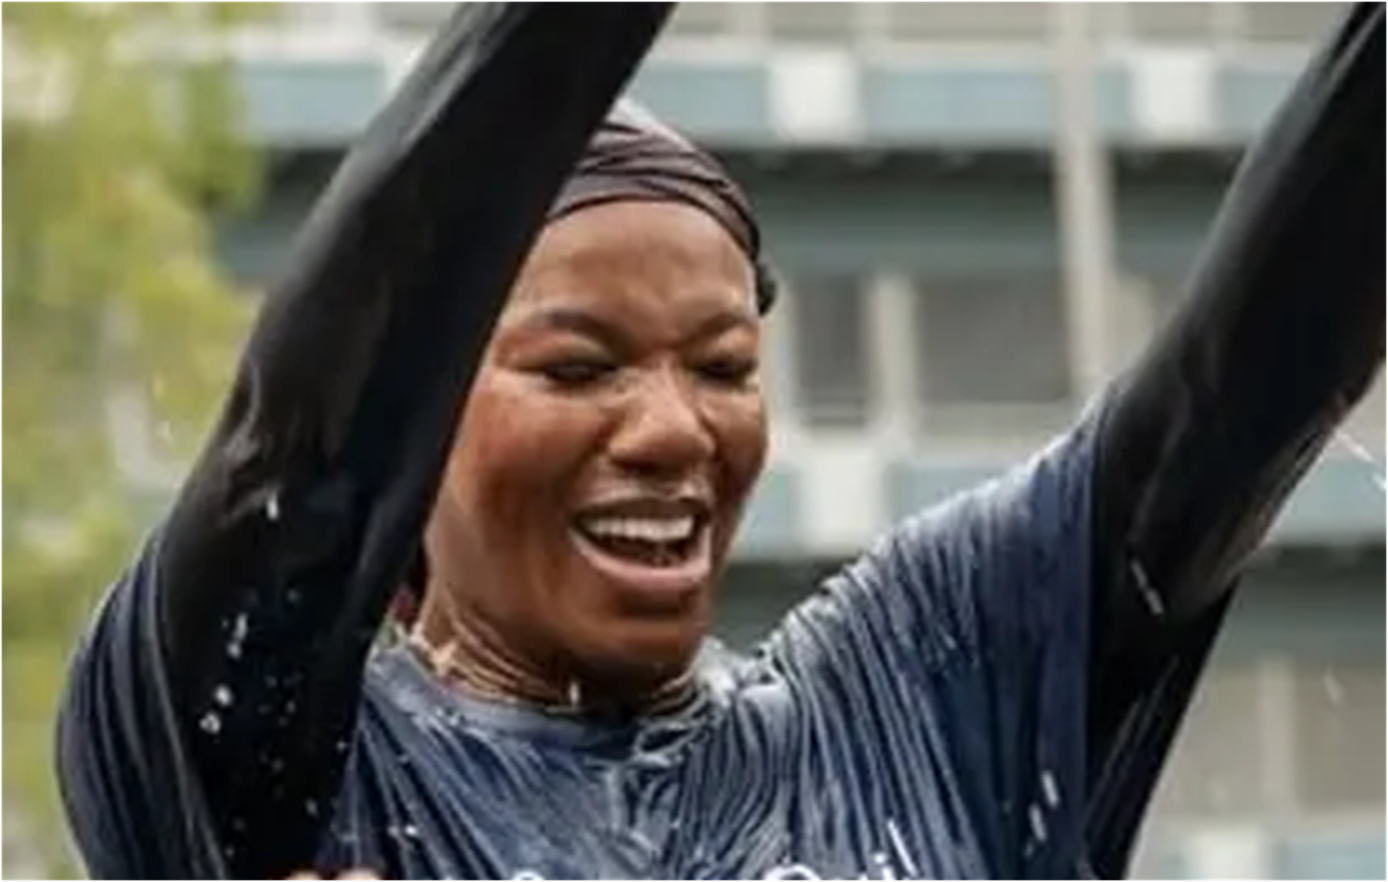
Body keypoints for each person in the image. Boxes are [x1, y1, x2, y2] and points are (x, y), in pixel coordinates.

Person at [55, 3, 1384, 881]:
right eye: (580, 366)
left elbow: (1239, 381)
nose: (672, 426)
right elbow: (298, 447)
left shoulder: (926, 695)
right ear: (421, 433)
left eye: (725, 366)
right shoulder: (264, 763)